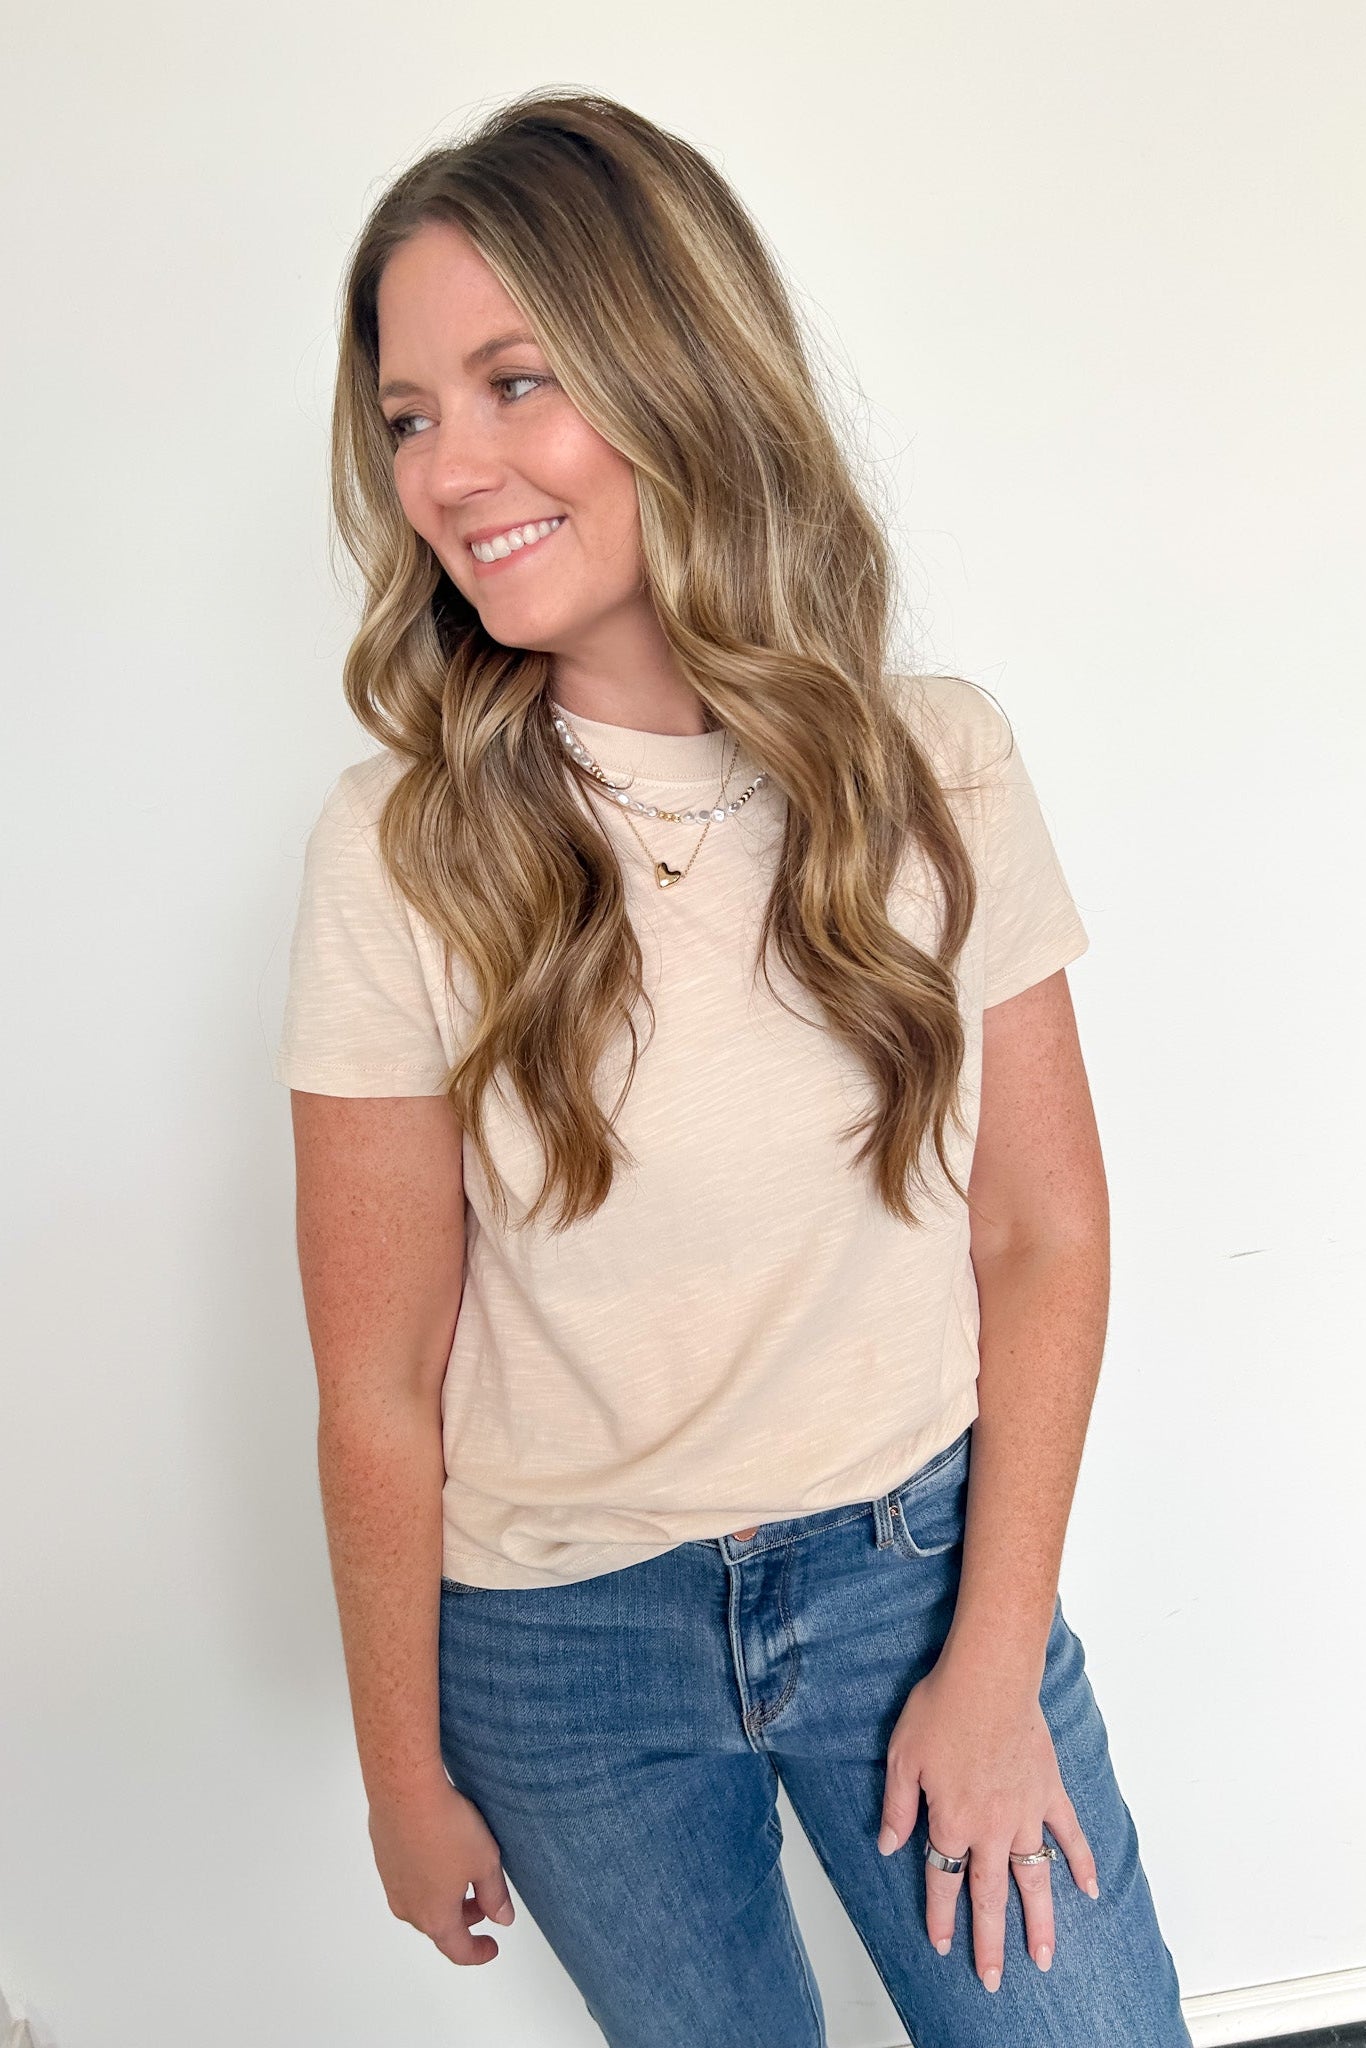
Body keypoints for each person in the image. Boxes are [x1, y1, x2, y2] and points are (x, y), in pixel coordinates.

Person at [274, 88, 1193, 2048]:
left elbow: (1043, 1228)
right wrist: (400, 1767)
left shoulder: (930, 763)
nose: (447, 467)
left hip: (907, 1573)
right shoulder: (399, 842)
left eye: (512, 380)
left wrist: (994, 1654)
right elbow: (376, 1376)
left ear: (670, 363)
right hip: (557, 1651)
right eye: (410, 411)